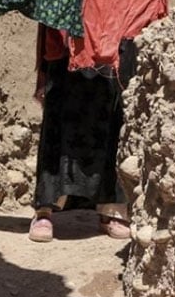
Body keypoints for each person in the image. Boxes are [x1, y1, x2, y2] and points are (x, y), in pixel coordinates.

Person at [27, 23, 133, 242]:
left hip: (112, 30)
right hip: (68, 28)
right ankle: (45, 209)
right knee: (58, 115)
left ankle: (111, 210)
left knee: (111, 115)